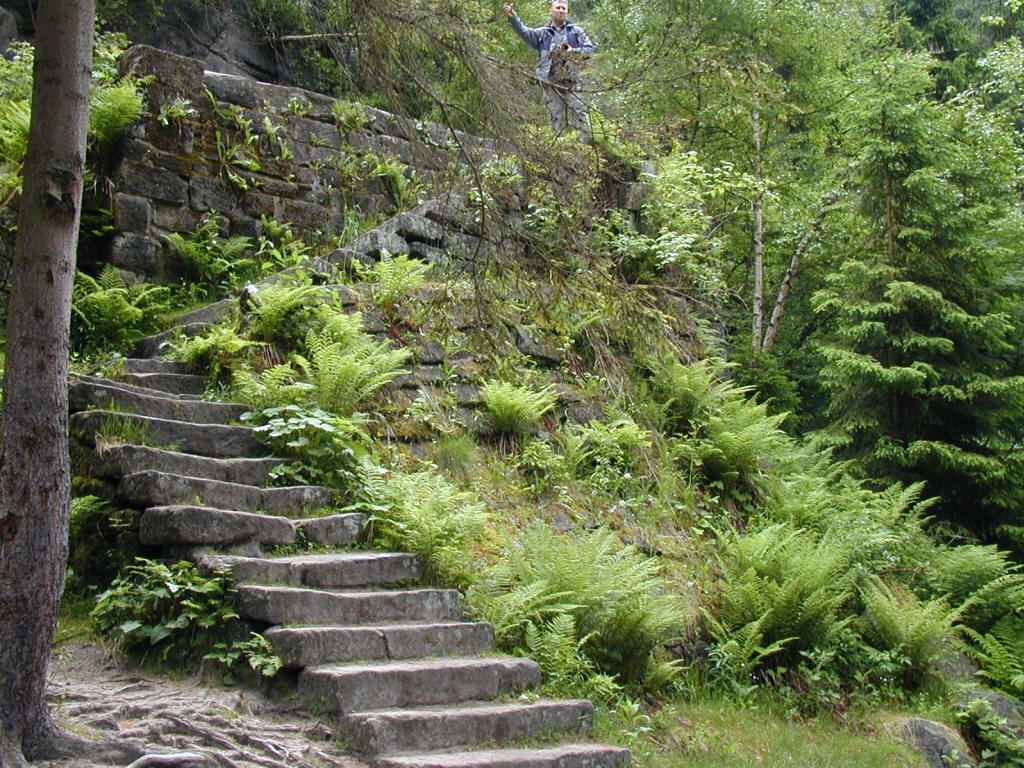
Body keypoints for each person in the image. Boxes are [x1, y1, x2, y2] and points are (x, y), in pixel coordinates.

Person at [504, 0, 595, 142]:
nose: (561, 11)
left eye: (564, 8)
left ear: (567, 11)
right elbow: (525, 32)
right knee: (555, 117)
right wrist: (513, 17)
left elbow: (589, 51)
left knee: (580, 114)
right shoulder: (543, 33)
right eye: (558, 8)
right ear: (551, 11)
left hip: (573, 81)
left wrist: (573, 51)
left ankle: (586, 147)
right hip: (550, 82)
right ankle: (559, 148)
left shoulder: (576, 31)